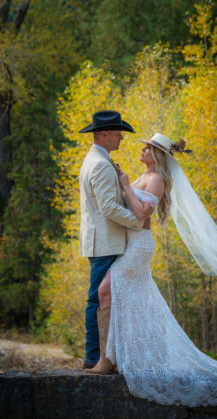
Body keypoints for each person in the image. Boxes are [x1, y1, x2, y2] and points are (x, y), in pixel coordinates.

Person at [83, 130, 217, 408]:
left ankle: (105, 360)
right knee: (135, 300)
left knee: (105, 291)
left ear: (157, 154)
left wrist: (125, 184)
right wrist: (121, 178)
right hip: (128, 245)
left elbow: (140, 214)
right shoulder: (142, 176)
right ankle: (117, 356)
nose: (141, 151)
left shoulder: (157, 179)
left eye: (146, 148)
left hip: (138, 247)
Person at [78, 110, 150, 372]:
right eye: (118, 132)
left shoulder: (98, 160)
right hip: (105, 242)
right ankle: (94, 356)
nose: (122, 137)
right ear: (104, 134)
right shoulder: (99, 163)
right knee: (98, 299)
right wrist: (138, 222)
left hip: (103, 241)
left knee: (102, 297)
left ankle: (102, 356)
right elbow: (108, 207)